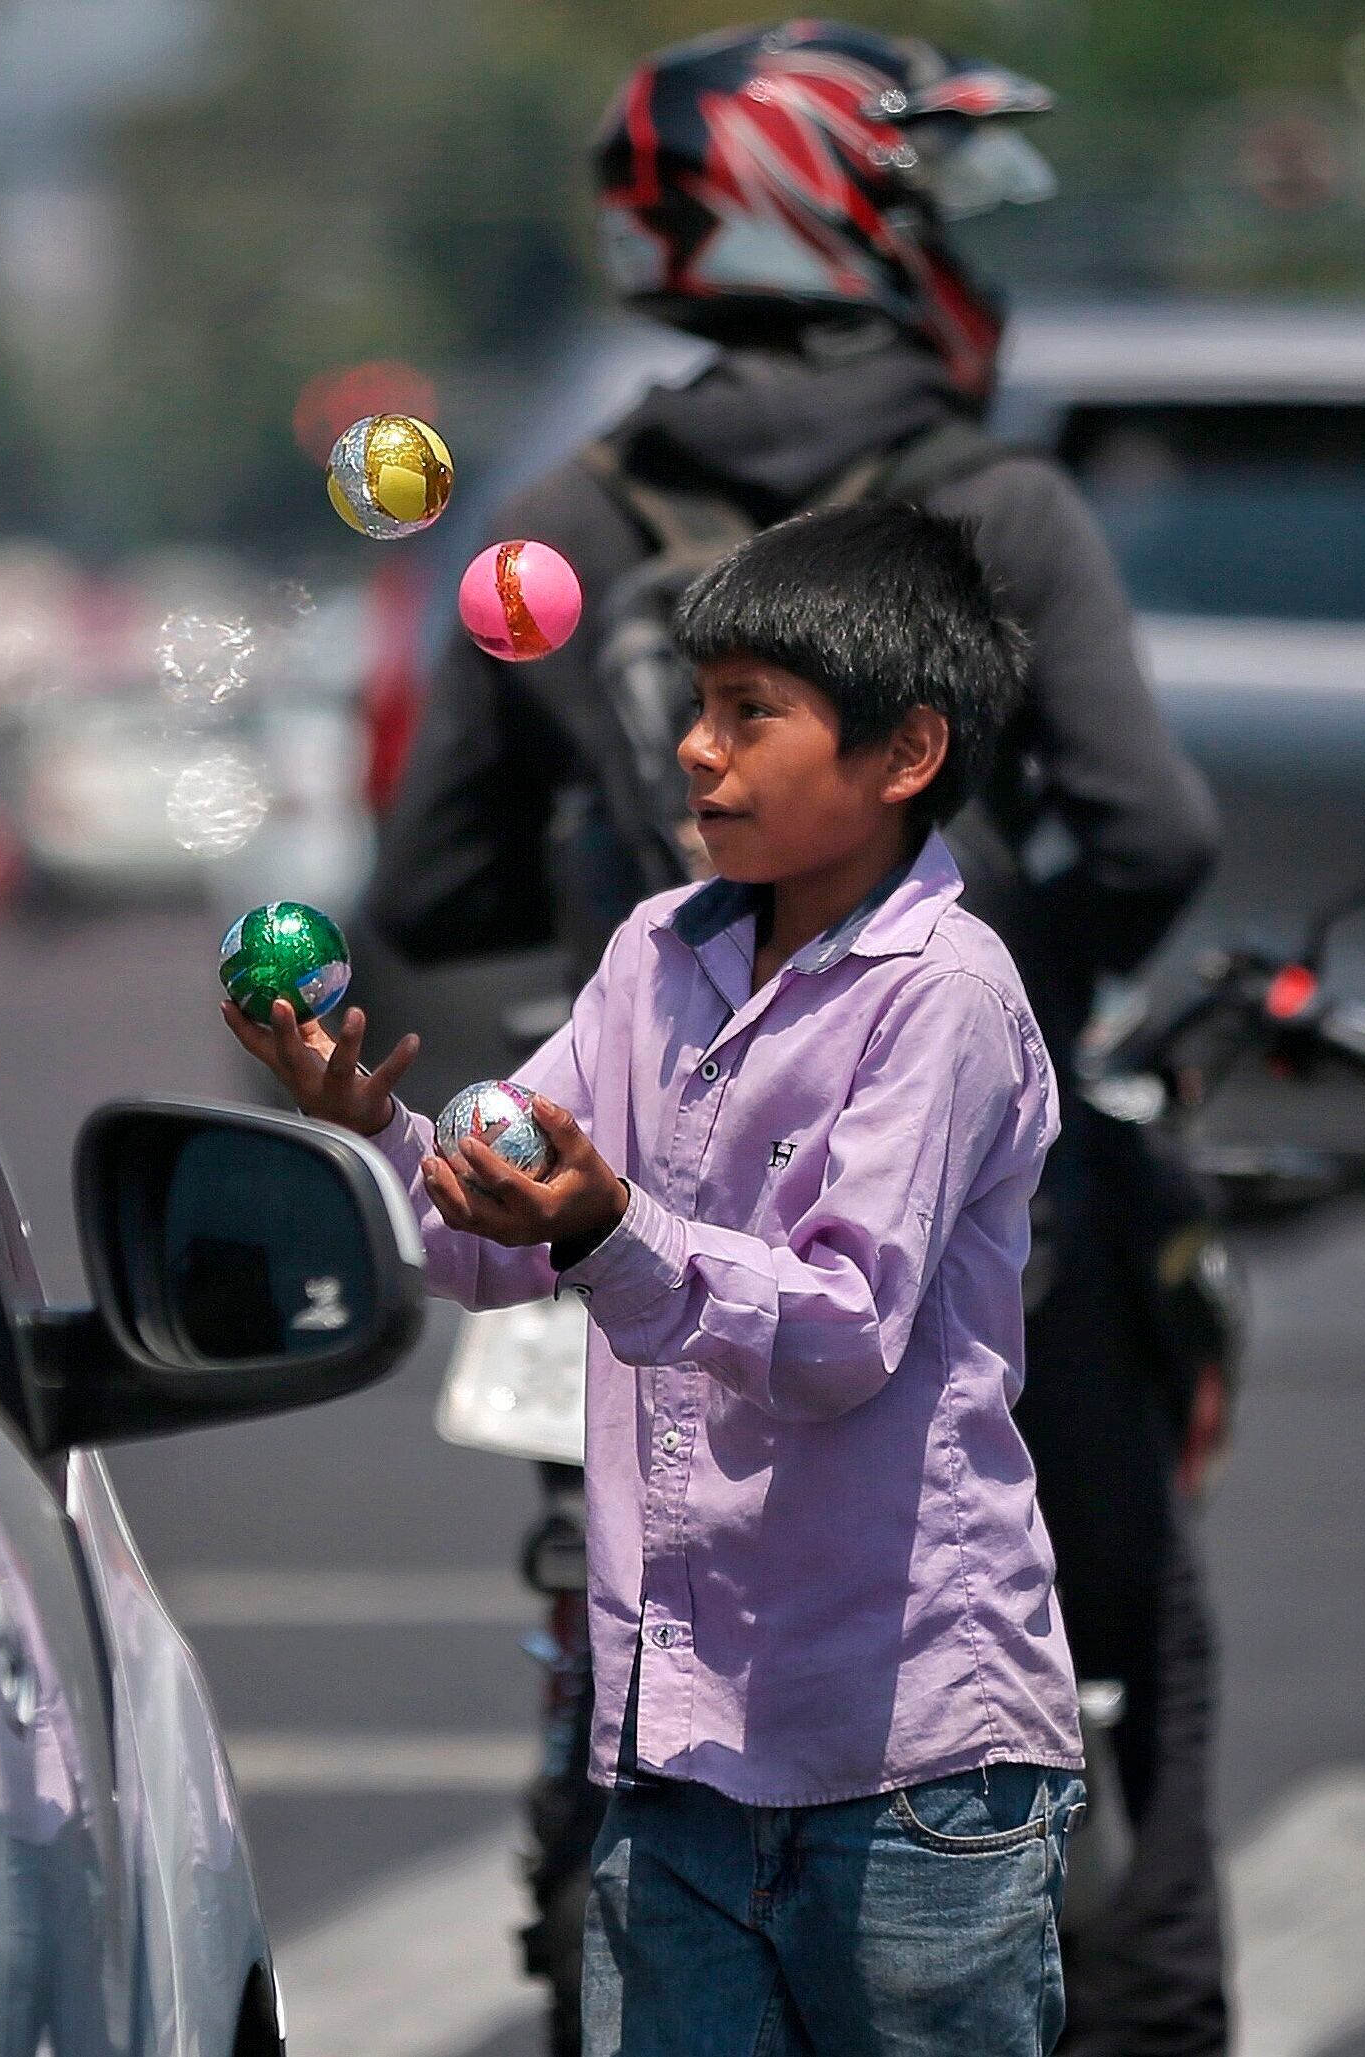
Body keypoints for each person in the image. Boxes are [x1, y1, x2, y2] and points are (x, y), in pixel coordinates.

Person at [367, 24, 1223, 2048]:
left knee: (629, 1670)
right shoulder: (985, 509)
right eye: (916, 195)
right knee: (1139, 1650)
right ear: (837, 208)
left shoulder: (556, 518)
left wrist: (638, 983)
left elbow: (419, 896)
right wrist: (1017, 998)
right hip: (899, 1249)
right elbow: (1153, 831)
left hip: (625, 1202)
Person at [244, 501, 1079, 2046]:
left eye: (751, 713)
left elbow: (836, 1329)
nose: (697, 751)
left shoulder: (942, 1000)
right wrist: (377, 1132)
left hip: (908, 1769)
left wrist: (603, 1225)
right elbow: (504, 1224)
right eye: (697, 708)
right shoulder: (657, 952)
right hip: (678, 1764)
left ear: (904, 754)